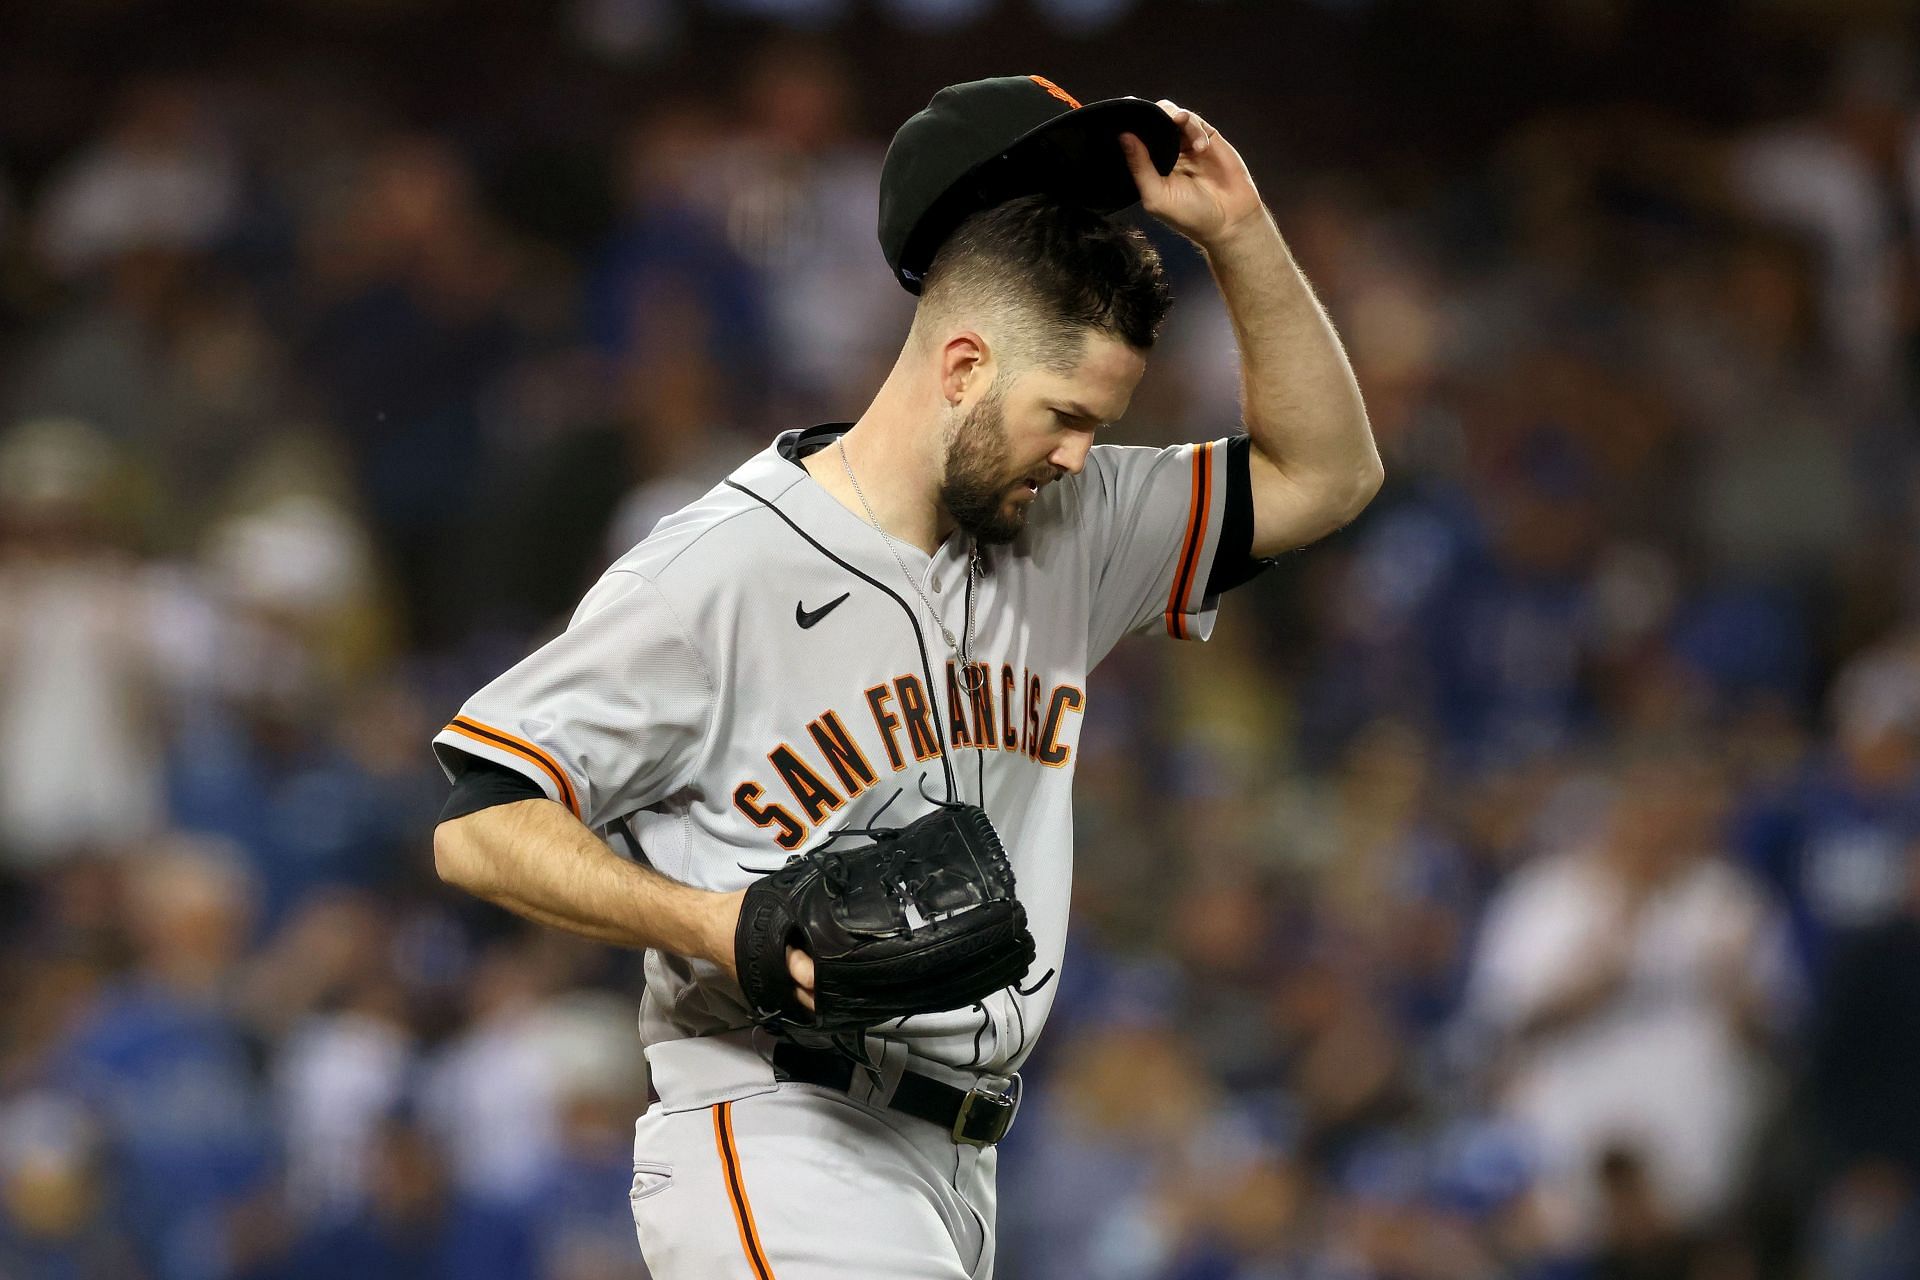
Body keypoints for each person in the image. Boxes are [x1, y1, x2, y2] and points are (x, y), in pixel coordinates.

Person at [431, 75, 1379, 1278]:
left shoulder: (1067, 527)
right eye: (1066, 415)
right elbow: (479, 824)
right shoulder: (718, 569)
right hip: (779, 1131)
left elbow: (1327, 475)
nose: (1084, 453)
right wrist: (717, 921)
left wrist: (1241, 236)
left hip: (962, 1168)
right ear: (965, 362)